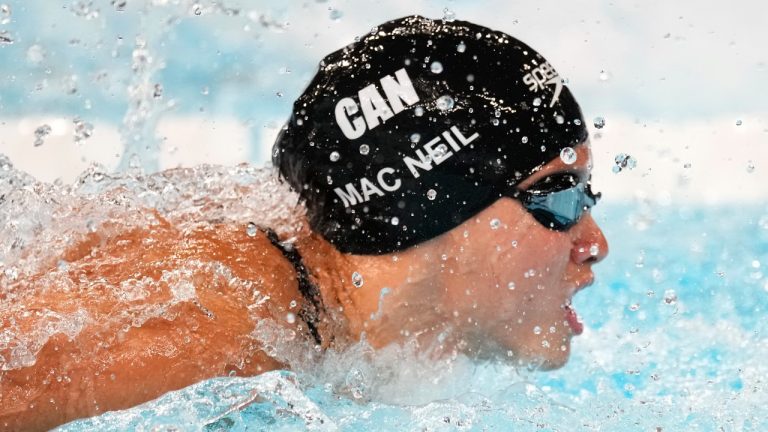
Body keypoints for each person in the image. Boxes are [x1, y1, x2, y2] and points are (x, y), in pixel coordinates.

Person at [0, 15, 608, 431]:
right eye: (558, 200)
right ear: (429, 209)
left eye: (589, 197)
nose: (595, 242)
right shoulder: (207, 332)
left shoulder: (335, 328)